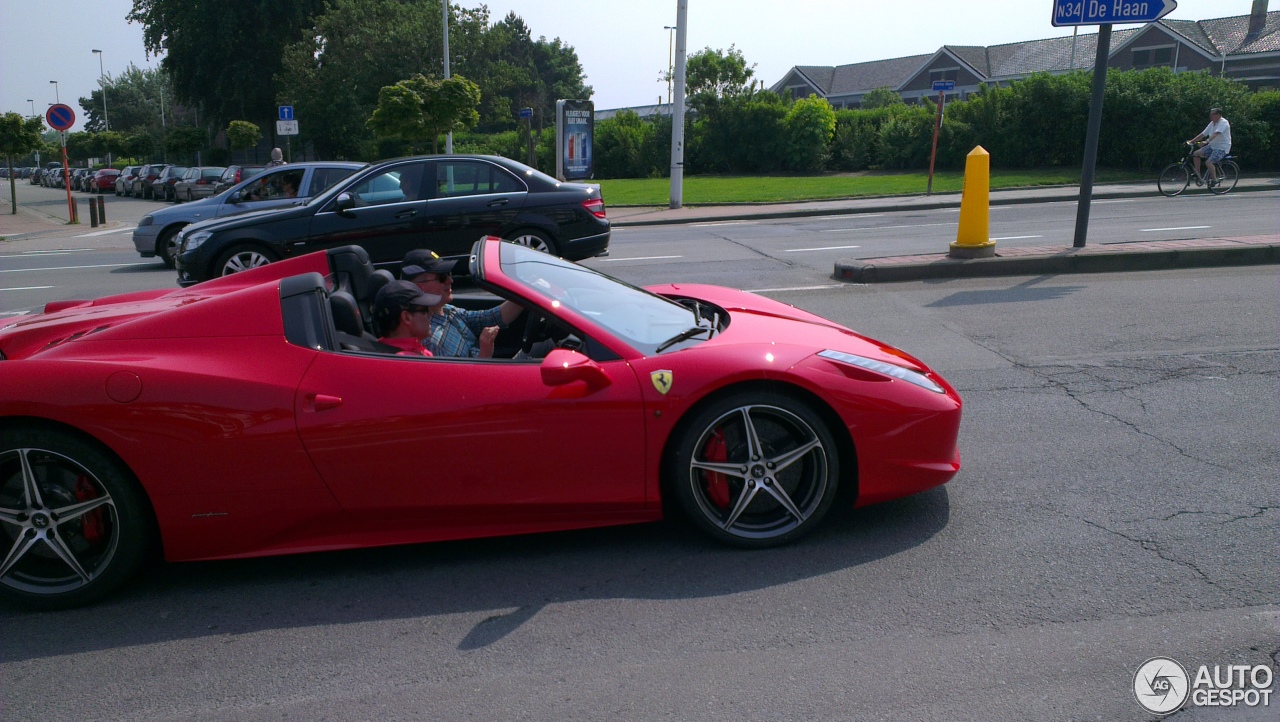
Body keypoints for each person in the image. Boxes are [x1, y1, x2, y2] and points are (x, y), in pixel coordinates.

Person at [401, 249, 523, 358]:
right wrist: (484, 355)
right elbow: (460, 382)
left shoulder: (446, 310)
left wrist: (524, 292)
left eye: (449, 274)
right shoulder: (427, 340)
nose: (450, 280)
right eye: (442, 277)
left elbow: (489, 318)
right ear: (419, 288)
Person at [372, 280, 442, 356]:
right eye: (424, 311)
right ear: (406, 317)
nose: (431, 314)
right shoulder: (409, 359)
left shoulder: (380, 347)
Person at [1187, 108, 1231, 187]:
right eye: (1210, 114)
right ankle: (1198, 175)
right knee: (1195, 154)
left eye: (1212, 114)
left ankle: (1214, 180)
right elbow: (1203, 134)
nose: (1210, 116)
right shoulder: (1212, 123)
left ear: (1218, 115)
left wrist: (1206, 142)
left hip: (1222, 148)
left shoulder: (1223, 123)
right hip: (1212, 146)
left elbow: (1216, 134)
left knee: (1208, 162)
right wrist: (1191, 141)